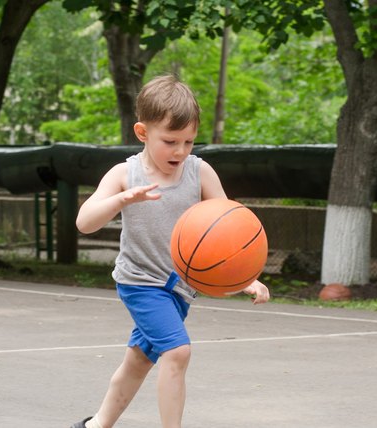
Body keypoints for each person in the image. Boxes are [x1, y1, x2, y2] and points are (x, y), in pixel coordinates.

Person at [71, 74, 270, 428]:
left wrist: (246, 278)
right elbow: (84, 223)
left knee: (138, 362)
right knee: (177, 352)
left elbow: (229, 231)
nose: (180, 150)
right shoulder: (124, 174)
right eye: (170, 141)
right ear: (143, 133)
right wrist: (121, 199)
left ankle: (95, 425)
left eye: (189, 141)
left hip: (180, 287)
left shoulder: (200, 172)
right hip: (140, 283)